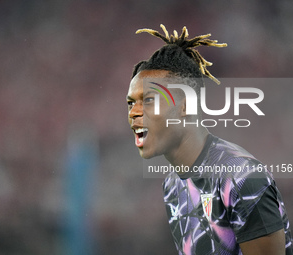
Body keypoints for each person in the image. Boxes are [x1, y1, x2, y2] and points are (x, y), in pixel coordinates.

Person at [126, 24, 293, 255]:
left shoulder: (242, 178)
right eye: (130, 103)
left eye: (149, 100)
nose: (134, 112)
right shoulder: (172, 184)